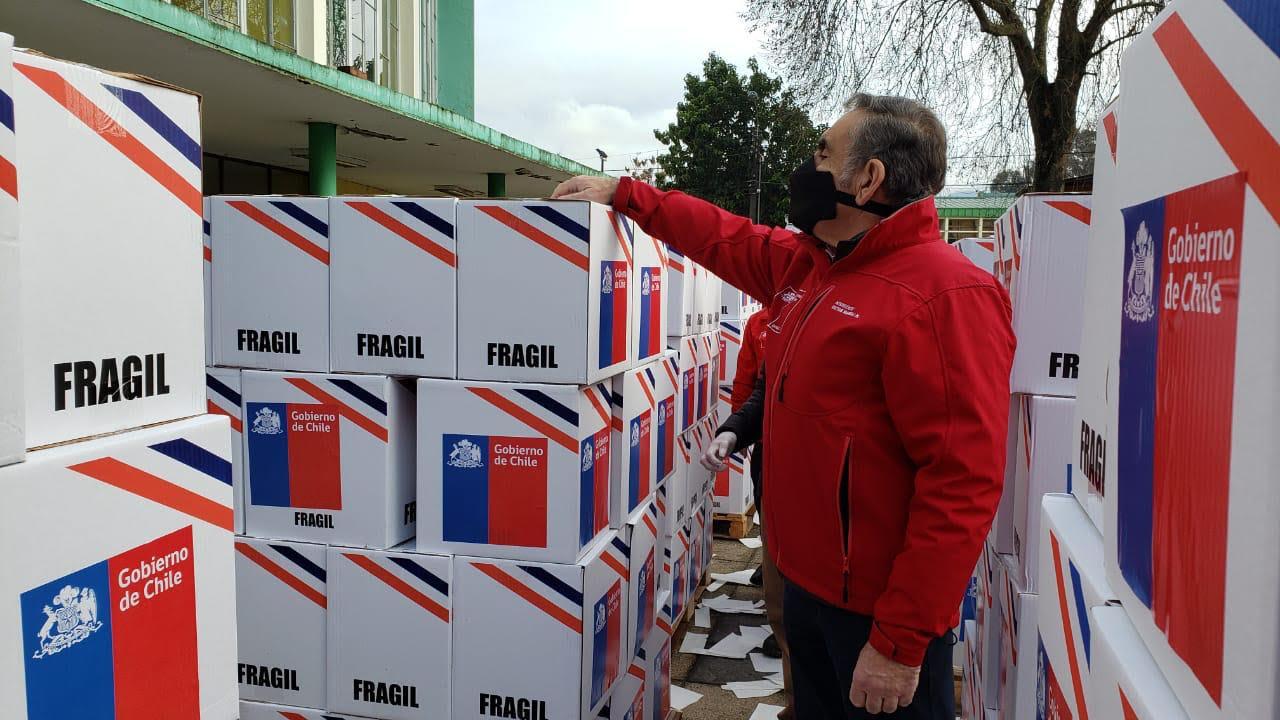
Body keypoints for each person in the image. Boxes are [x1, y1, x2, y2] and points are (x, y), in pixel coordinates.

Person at [553, 93, 1014, 719]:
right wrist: (626, 194)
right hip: (805, 589)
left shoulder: (945, 296)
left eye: (822, 154)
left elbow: (962, 482)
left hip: (874, 619)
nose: (806, 168)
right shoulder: (811, 266)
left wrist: (900, 643)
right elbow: (725, 236)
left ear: (868, 178)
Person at [703, 311, 793, 719]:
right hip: (774, 459)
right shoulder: (768, 323)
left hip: (831, 481)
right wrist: (736, 431)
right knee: (779, 570)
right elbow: (754, 387)